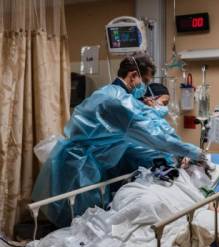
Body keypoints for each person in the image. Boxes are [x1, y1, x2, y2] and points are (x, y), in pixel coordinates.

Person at [32, 53, 204, 227]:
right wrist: (192, 151)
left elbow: (141, 119)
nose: (144, 87)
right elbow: (154, 137)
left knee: (76, 225)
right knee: (80, 228)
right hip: (82, 170)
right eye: (144, 81)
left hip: (73, 161)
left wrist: (156, 112)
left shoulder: (105, 92)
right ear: (132, 75)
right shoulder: (120, 102)